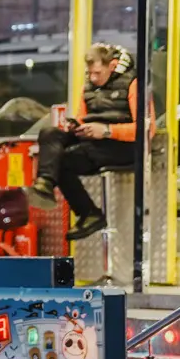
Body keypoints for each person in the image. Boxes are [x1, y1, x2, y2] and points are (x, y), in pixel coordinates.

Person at [29, 41, 142, 241]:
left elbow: (145, 129)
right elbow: (83, 117)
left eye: (98, 73)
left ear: (112, 66)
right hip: (93, 138)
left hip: (123, 145)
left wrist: (107, 131)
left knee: (62, 160)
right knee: (49, 134)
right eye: (90, 73)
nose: (93, 78)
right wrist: (76, 127)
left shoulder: (133, 84)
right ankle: (45, 183)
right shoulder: (88, 87)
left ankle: (89, 214)